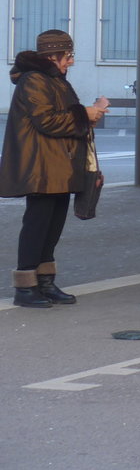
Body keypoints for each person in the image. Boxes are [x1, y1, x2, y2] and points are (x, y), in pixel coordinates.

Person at [0, 30, 107, 308]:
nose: (71, 61)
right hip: (41, 167)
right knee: (37, 225)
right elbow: (46, 121)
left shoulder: (53, 79)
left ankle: (45, 282)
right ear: (52, 56)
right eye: (67, 56)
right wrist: (85, 114)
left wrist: (89, 115)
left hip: (58, 166)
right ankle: (25, 288)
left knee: (52, 226)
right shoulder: (34, 80)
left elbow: (64, 117)